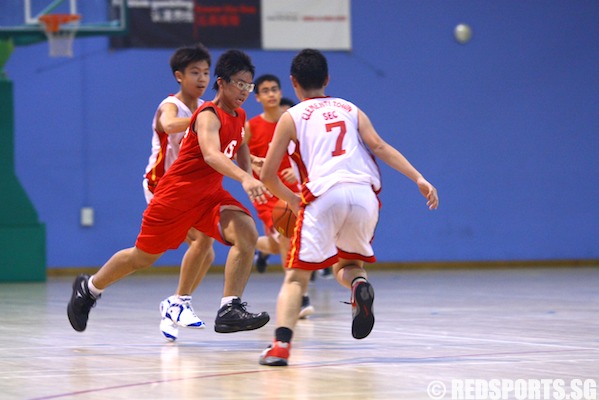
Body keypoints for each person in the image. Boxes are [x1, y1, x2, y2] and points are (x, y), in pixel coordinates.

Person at [68, 49, 270, 337]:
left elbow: (238, 147)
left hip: (208, 197)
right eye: (240, 83)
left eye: (249, 86)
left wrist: (253, 173)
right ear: (222, 82)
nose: (245, 91)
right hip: (175, 194)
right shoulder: (204, 114)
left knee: (246, 232)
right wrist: (244, 179)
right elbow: (212, 154)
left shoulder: (238, 115)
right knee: (143, 257)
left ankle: (228, 308)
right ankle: (89, 289)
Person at [257, 49, 439, 366]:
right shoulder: (349, 108)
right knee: (348, 266)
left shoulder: (291, 116)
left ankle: (280, 347)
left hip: (323, 195)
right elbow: (379, 146)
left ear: (293, 83)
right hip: (364, 196)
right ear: (327, 79)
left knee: (296, 278)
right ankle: (359, 286)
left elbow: (267, 175)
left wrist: (294, 201)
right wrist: (418, 178)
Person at [143, 43, 215, 341]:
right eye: (195, 72)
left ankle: (174, 307)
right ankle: (176, 303)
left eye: (206, 73)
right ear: (178, 76)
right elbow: (169, 124)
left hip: (186, 188)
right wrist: (203, 120)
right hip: (160, 184)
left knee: (206, 252)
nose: (201, 78)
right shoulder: (171, 104)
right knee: (199, 241)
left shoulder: (203, 110)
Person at [244, 74, 313, 319]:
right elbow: (235, 152)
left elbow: (305, 153)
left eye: (275, 89)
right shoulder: (251, 126)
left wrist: (296, 172)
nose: (271, 94)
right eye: (266, 90)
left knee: (278, 243)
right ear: (258, 97)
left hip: (291, 189)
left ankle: (257, 248)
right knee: (286, 235)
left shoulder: (291, 122)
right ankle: (299, 294)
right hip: (266, 191)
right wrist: (250, 173)